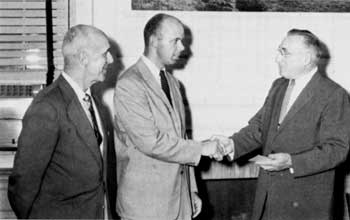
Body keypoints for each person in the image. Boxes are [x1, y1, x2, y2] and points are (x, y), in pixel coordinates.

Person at [214, 29, 350, 220]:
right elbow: (260, 128)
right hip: (268, 198)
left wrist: (292, 162)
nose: (278, 58)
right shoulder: (278, 86)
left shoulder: (334, 94)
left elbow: (337, 149)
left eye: (284, 52)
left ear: (306, 58)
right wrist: (232, 144)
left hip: (306, 203)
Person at [113, 13, 223, 220]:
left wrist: (191, 190)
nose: (182, 48)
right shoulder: (130, 84)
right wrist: (203, 148)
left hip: (177, 201)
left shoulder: (172, 83)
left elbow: (180, 138)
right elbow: (150, 142)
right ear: (154, 41)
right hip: (145, 206)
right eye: (176, 41)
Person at [7, 24, 117, 219]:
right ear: (83, 58)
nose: (111, 59)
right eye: (104, 53)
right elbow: (22, 185)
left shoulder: (94, 103)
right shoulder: (47, 106)